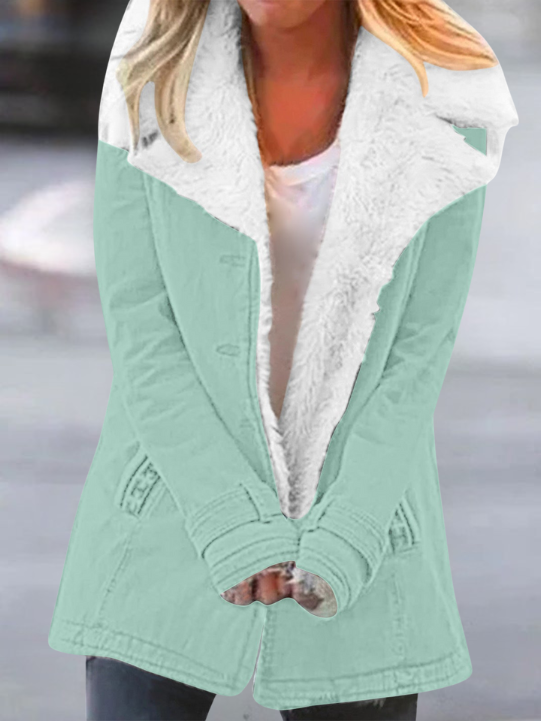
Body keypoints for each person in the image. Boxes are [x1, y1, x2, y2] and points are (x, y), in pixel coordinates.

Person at [48, 0, 519, 718]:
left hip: (363, 522)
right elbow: (142, 328)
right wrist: (227, 515)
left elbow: (415, 357)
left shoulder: (448, 85)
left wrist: (350, 531)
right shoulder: (152, 54)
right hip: (172, 502)